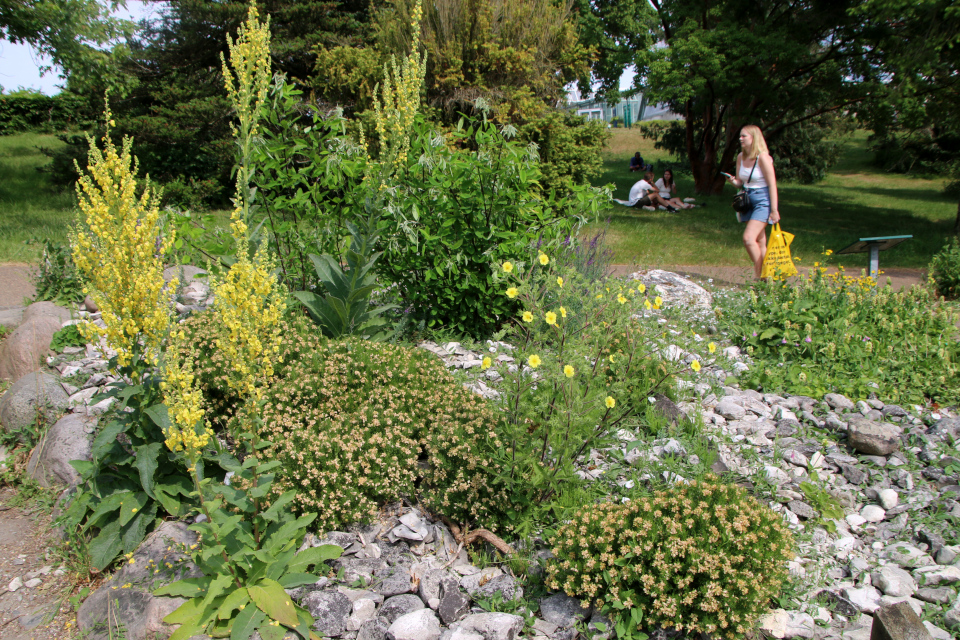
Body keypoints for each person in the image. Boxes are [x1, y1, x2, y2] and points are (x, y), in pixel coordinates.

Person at [722, 125, 779, 279]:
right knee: (760, 242)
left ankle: (763, 273)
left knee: (748, 238)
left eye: (744, 136)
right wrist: (732, 181)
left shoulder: (763, 158)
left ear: (754, 138)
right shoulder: (741, 156)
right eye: (740, 136)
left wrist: (774, 210)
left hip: (762, 200)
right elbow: (741, 183)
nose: (740, 139)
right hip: (747, 200)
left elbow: (772, 184)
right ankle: (765, 279)